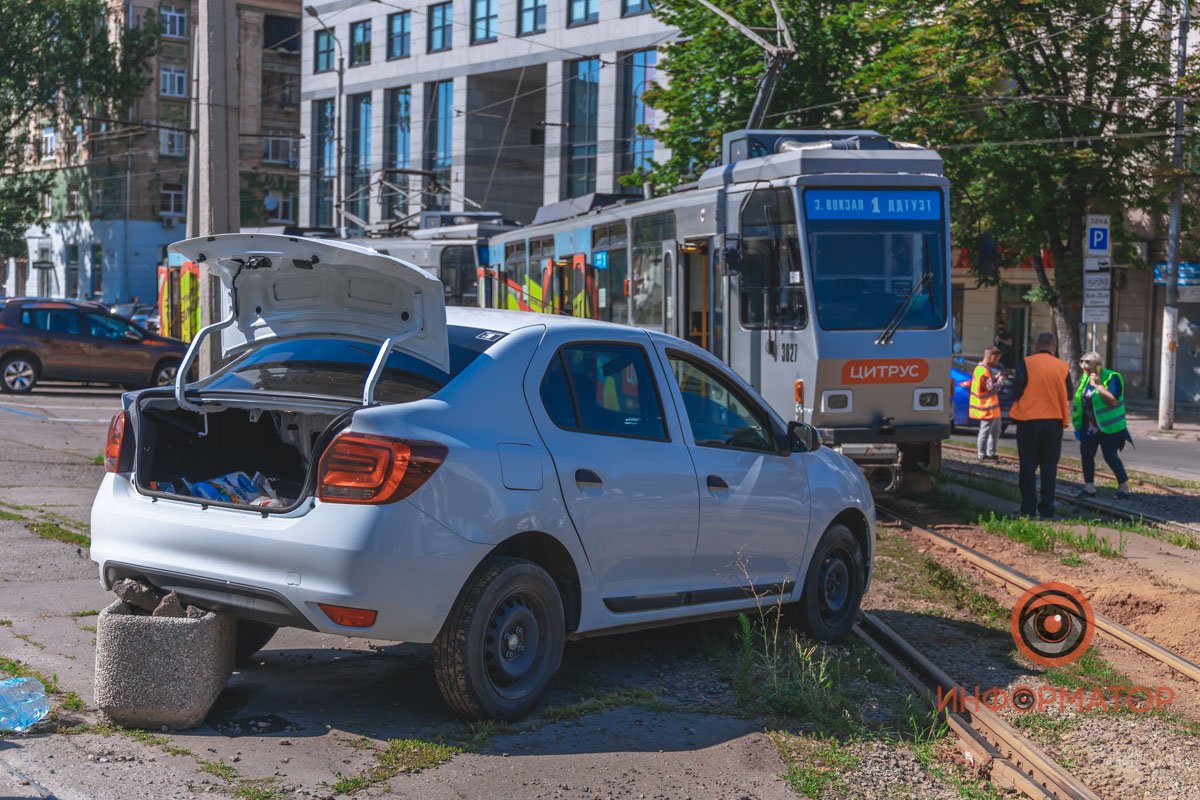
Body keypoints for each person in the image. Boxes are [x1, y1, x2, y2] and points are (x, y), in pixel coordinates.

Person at [1009, 332, 1071, 518]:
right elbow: (1068, 393)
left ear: (1036, 345)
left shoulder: (1027, 363)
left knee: (1028, 465)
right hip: (1054, 421)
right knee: (1049, 466)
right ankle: (1047, 508)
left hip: (1029, 420)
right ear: (1054, 347)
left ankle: (1028, 508)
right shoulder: (1062, 366)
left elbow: (1016, 388)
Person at [1073, 352, 1133, 500]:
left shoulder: (1112, 377)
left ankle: (1123, 487)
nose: (1086, 371)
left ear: (1098, 366)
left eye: (1089, 368)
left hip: (1109, 427)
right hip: (1089, 426)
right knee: (1086, 454)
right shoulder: (1084, 378)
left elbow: (1113, 401)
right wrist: (1078, 424)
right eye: (1084, 367)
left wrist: (1099, 386)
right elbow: (1081, 400)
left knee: (1110, 456)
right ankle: (1089, 487)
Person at [970, 347, 1004, 460]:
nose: (997, 361)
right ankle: (982, 455)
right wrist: (1000, 380)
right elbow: (992, 388)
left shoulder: (980, 369)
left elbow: (987, 384)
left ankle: (990, 453)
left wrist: (994, 378)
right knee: (985, 432)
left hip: (991, 408)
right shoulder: (983, 371)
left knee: (995, 432)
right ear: (992, 357)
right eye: (997, 359)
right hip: (986, 408)